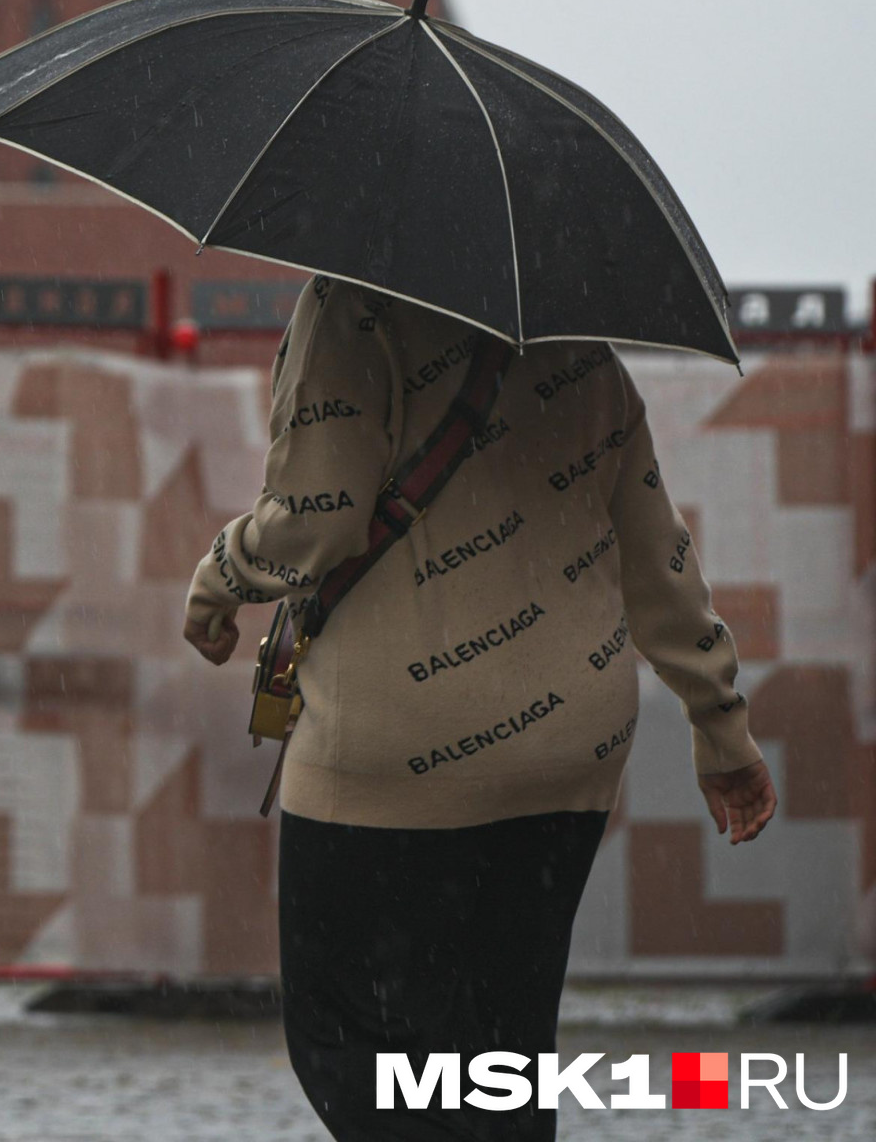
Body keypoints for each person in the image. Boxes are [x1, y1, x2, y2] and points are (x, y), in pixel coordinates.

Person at [185, 277, 774, 1141]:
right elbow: (657, 554)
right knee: (501, 1060)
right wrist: (722, 730)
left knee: (353, 1045)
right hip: (564, 757)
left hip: (390, 751)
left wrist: (218, 580)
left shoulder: (352, 304)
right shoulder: (582, 344)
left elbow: (318, 518)